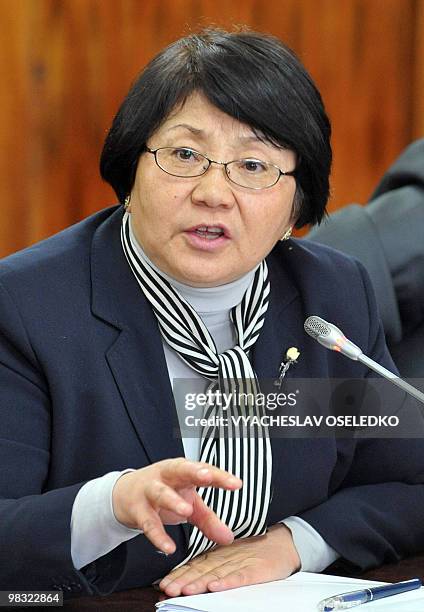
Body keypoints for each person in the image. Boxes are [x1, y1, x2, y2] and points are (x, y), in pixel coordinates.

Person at [0, 27, 423, 601]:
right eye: (184, 154)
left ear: (298, 202)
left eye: (253, 165)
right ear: (131, 171)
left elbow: (407, 481)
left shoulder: (330, 295)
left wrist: (292, 543)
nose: (213, 192)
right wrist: (112, 505)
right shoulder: (26, 307)